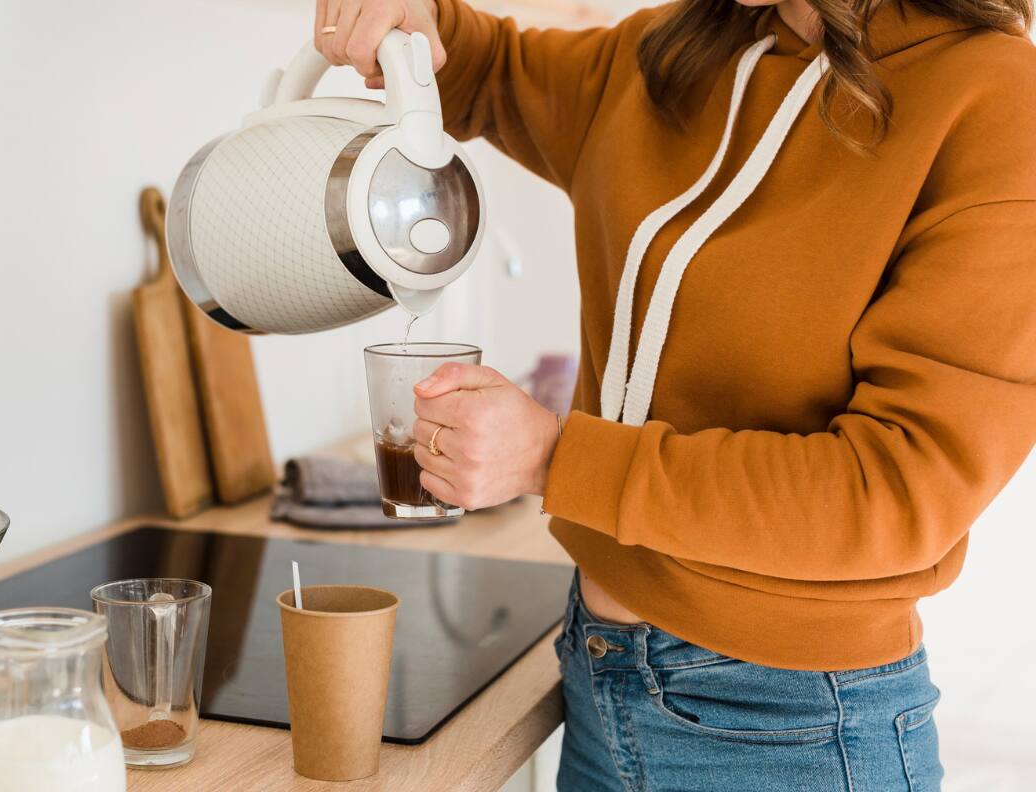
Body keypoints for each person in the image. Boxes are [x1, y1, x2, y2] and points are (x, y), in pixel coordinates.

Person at [315, 0, 1036, 789]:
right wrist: (414, 20)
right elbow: (488, 69)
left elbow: (896, 492)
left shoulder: (992, 100)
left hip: (791, 732)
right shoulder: (678, 48)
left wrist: (557, 458)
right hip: (600, 685)